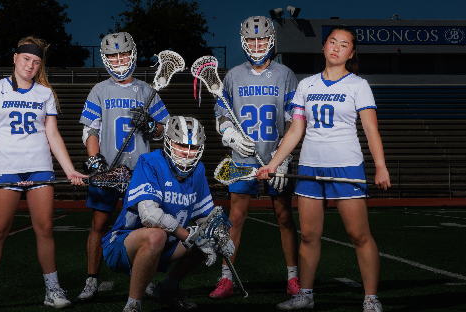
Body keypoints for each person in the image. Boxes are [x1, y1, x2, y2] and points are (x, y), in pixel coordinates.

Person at [257, 25, 390, 312]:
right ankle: (305, 295)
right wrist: (273, 164)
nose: (336, 48)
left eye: (344, 45)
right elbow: (295, 131)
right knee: (309, 236)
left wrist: (381, 167)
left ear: (351, 53)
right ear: (323, 46)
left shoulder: (358, 85)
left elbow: (370, 129)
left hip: (346, 167)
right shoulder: (307, 85)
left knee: (359, 235)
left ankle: (370, 297)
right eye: (332, 42)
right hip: (310, 167)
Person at [0, 36, 87, 311]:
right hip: (6, 169)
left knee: (46, 229)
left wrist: (70, 170)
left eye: (36, 62)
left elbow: (52, 134)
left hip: (40, 168)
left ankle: (52, 289)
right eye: (26, 59)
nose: (30, 65)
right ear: (15, 58)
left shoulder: (45, 93)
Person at [102, 116, 234, 312]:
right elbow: (150, 216)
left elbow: (206, 216)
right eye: (180, 145)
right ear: (168, 142)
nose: (187, 153)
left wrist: (219, 236)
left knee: (208, 237)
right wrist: (188, 236)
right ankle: (133, 304)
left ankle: (166, 290)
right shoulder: (150, 161)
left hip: (167, 245)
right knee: (157, 234)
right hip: (123, 245)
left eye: (193, 147)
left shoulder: (197, 170)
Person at [210, 16, 300, 299]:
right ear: (243, 41)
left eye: (261, 39)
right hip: (242, 156)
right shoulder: (234, 75)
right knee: (235, 217)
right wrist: (229, 135)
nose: (257, 44)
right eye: (252, 40)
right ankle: (226, 278)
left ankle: (293, 277)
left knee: (284, 216)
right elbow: (221, 114)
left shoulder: (285, 74)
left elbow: (293, 120)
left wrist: (284, 156)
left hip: (275, 155)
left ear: (271, 40)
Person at [76, 32, 169, 302]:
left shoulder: (148, 91)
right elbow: (90, 131)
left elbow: (167, 130)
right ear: (106, 59)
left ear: (133, 55)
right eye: (113, 56)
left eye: (123, 54)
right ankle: (91, 279)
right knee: (99, 224)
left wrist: (153, 126)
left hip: (140, 171)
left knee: (145, 226)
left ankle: (145, 280)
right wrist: (96, 162)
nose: (119, 60)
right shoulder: (99, 90)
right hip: (108, 171)